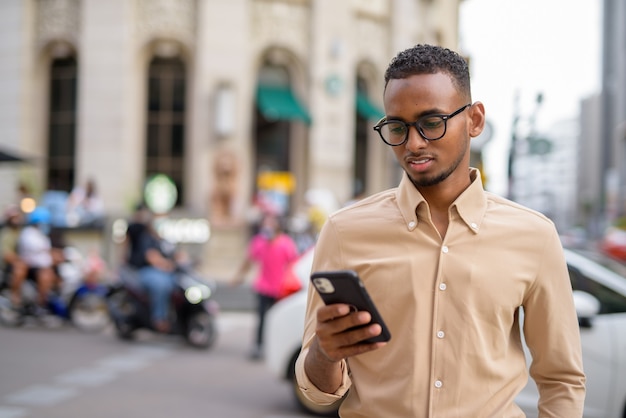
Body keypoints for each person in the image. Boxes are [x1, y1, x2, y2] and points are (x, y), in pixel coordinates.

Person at [295, 44, 585, 417]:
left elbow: (562, 379)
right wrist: (325, 351)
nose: (413, 144)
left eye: (431, 123)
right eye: (397, 127)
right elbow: (316, 394)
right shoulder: (344, 230)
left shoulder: (535, 236)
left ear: (475, 120)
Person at [232, 212, 299, 360]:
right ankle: (259, 345)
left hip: (281, 289)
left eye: (271, 223)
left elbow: (293, 265)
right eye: (266, 223)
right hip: (263, 287)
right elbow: (248, 261)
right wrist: (238, 277)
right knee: (262, 319)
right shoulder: (259, 242)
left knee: (279, 319)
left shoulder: (286, 243)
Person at [135, 215, 177, 333]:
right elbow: (151, 257)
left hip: (168, 272)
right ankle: (159, 318)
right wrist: (166, 264)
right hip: (149, 272)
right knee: (162, 285)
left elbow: (177, 255)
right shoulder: (147, 239)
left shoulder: (166, 241)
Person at [16, 207, 58, 314]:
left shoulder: (42, 235)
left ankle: (47, 302)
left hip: (43, 267)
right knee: (45, 276)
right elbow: (37, 248)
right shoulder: (28, 233)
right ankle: (40, 304)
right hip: (32, 268)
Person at [1, 206, 28, 308]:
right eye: (14, 218)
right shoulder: (7, 234)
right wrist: (19, 260)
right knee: (20, 269)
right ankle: (15, 294)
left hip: (24, 260)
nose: (16, 220)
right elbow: (6, 254)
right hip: (9, 264)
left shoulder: (22, 232)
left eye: (17, 217)